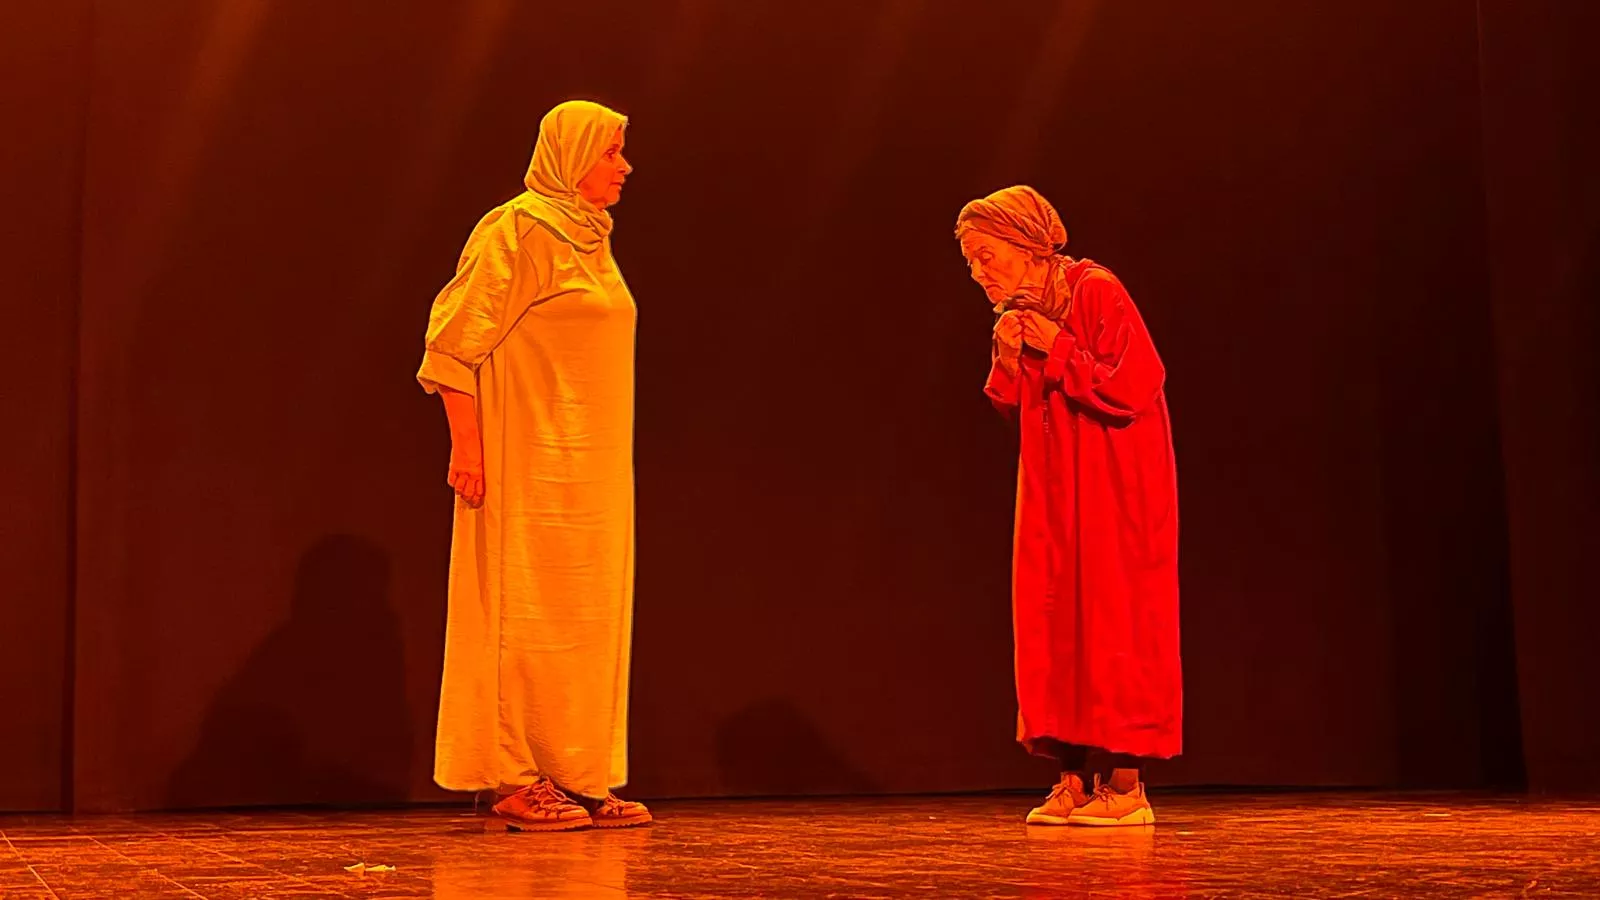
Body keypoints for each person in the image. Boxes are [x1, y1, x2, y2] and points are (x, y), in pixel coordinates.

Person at [416, 100, 649, 832]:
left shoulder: (592, 239)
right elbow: (452, 345)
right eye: (612, 152)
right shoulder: (518, 228)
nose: (624, 167)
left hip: (592, 465)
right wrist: (468, 447)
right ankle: (513, 777)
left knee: (583, 612)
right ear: (571, 154)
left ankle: (577, 771)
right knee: (519, 610)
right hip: (528, 455)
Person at [955, 186, 1182, 827]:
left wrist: (1054, 345)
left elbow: (1134, 384)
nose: (979, 272)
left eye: (986, 255)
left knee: (1114, 620)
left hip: (1116, 481)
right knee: (1055, 617)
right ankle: (1072, 779)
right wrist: (1008, 352)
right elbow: (1014, 404)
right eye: (971, 261)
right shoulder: (1024, 306)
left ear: (1027, 248)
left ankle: (1127, 787)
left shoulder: (1095, 290)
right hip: (1055, 486)